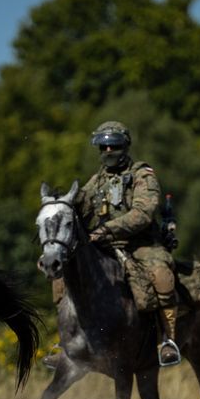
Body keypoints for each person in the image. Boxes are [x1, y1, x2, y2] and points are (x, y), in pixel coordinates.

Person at [73, 121, 182, 366]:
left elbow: (143, 213)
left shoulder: (142, 175)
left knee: (161, 275)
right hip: (103, 244)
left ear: (124, 146)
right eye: (103, 147)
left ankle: (167, 340)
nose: (108, 151)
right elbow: (81, 204)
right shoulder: (97, 180)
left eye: (113, 146)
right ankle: (68, 342)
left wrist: (107, 229)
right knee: (65, 275)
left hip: (141, 244)